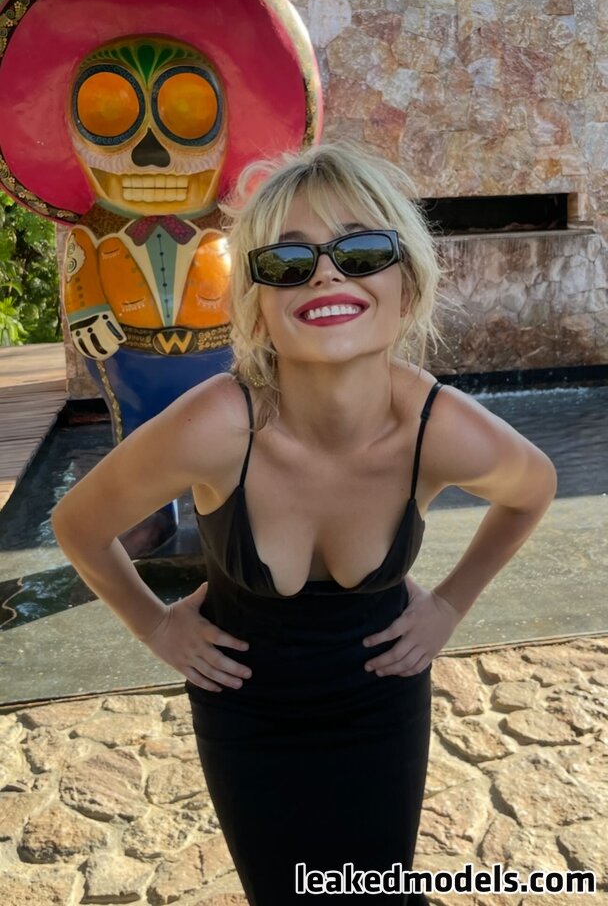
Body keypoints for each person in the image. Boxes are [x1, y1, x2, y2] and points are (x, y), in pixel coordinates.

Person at [51, 140, 557, 905]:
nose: (326, 273)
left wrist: (451, 605)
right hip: (246, 713)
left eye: (361, 251)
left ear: (407, 284)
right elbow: (78, 525)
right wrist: (155, 626)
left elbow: (533, 488)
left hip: (381, 704)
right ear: (257, 305)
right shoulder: (218, 427)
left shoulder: (437, 428)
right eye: (287, 261)